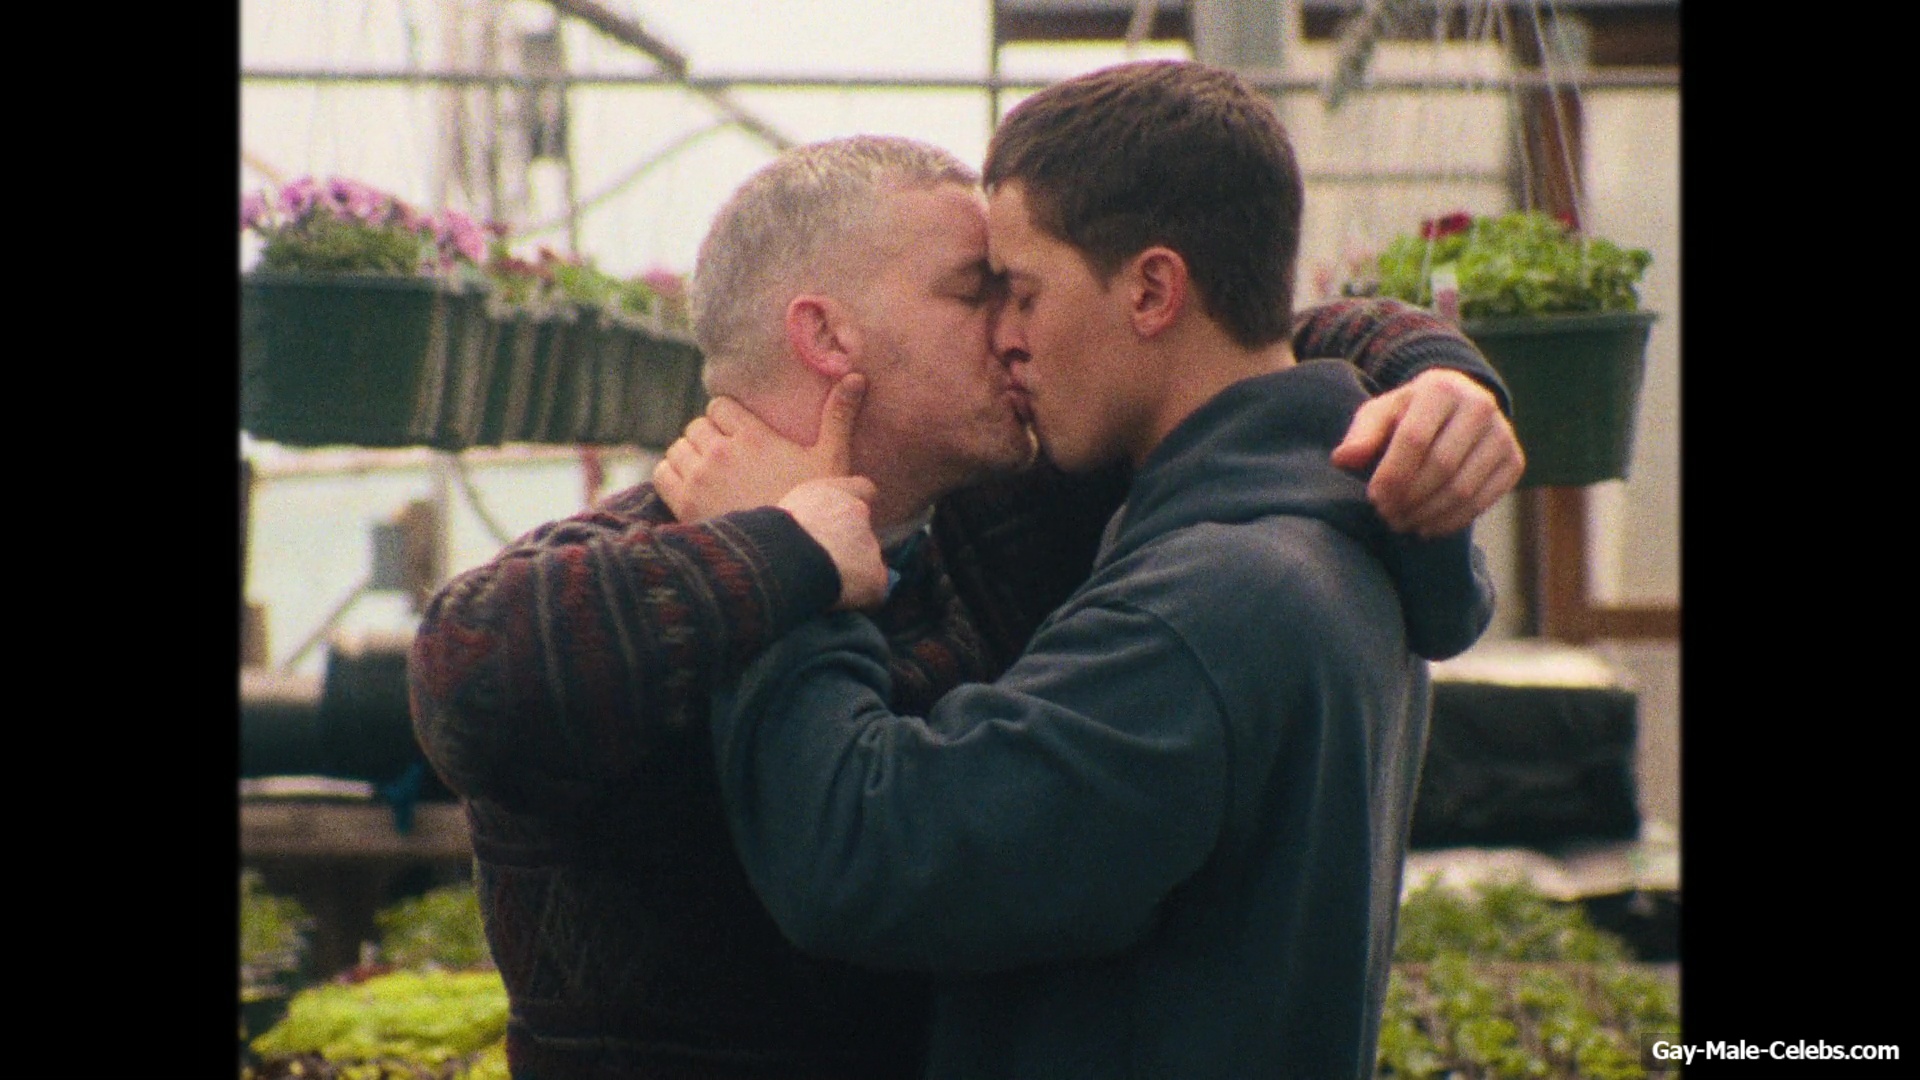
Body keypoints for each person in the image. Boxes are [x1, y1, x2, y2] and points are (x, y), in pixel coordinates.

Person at [408, 131, 1522, 1078]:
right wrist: (781, 552)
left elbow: (1217, 333)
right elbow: (466, 671)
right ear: (826, 336)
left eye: (1021, 292)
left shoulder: (1002, 517)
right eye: (977, 291)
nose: (1017, 329)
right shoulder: (624, 572)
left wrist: (1438, 383)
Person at [700, 61, 1493, 1080]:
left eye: (1023, 294)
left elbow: (867, 856)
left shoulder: (1212, 607)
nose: (1005, 339)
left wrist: (777, 561)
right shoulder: (1321, 530)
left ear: (1154, 290)